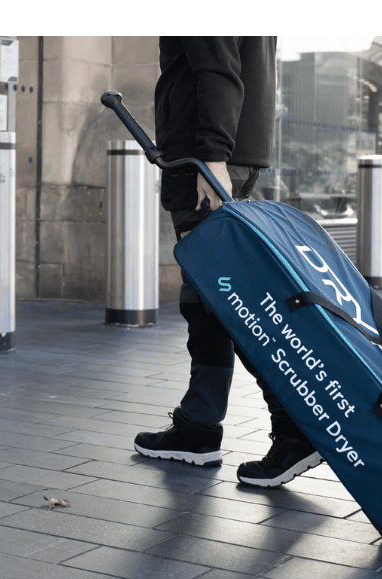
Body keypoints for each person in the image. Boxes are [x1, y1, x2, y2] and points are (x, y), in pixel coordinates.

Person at [134, 37, 322, 488]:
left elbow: (216, 65)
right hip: (222, 153)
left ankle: (294, 427)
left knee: (228, 301)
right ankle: (198, 424)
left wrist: (212, 155)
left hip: (206, 158)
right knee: (207, 298)